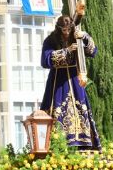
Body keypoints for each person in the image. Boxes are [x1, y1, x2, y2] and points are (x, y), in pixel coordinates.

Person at [40, 15, 100, 149]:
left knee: (80, 109)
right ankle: (57, 142)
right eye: (64, 30)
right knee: (57, 108)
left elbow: (92, 51)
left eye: (68, 29)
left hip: (75, 78)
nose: (67, 33)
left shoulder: (76, 36)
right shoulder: (50, 40)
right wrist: (66, 51)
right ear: (59, 29)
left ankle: (83, 142)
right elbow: (45, 60)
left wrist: (85, 37)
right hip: (58, 80)